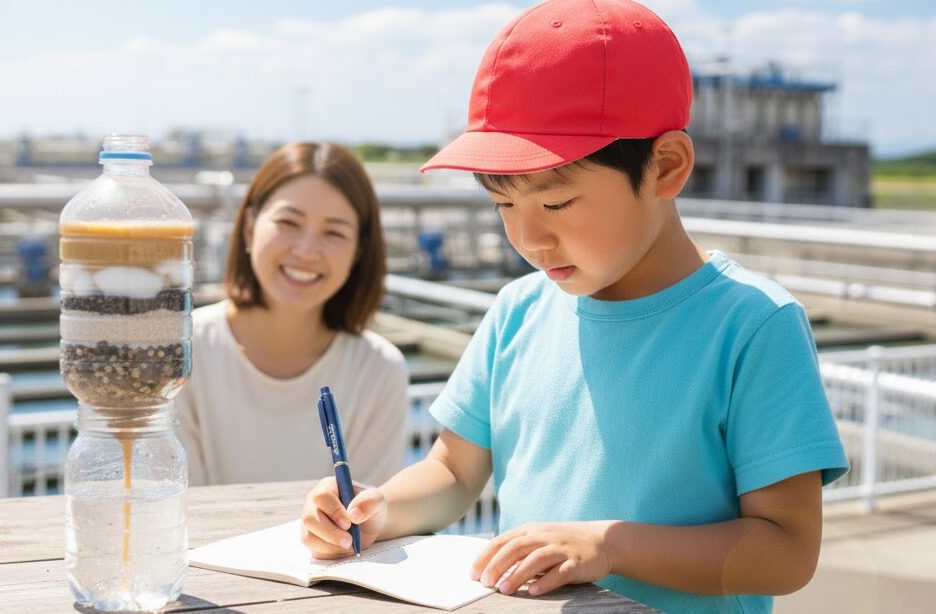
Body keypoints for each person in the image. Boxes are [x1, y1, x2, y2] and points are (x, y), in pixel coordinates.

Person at [299, 1, 849, 612]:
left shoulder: (752, 327)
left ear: (666, 167)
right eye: (505, 207)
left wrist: (608, 546)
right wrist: (379, 511)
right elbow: (454, 474)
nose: (529, 239)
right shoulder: (517, 311)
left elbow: (787, 551)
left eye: (556, 205)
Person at [175, 141, 409, 487]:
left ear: (359, 251)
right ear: (250, 227)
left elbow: (366, 524)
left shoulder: (379, 371)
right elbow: (181, 509)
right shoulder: (179, 351)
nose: (306, 250)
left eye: (334, 232)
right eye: (289, 222)